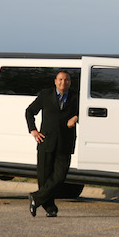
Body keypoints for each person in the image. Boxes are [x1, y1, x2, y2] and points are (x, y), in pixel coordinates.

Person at [25, 71, 79, 217]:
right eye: (60, 79)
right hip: (46, 141)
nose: (63, 82)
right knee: (44, 177)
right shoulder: (45, 95)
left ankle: (36, 197)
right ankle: (50, 208)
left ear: (70, 82)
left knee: (60, 176)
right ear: (55, 81)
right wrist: (33, 130)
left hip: (65, 142)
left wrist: (76, 117)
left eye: (66, 80)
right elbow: (30, 111)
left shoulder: (76, 97)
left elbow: (86, 112)